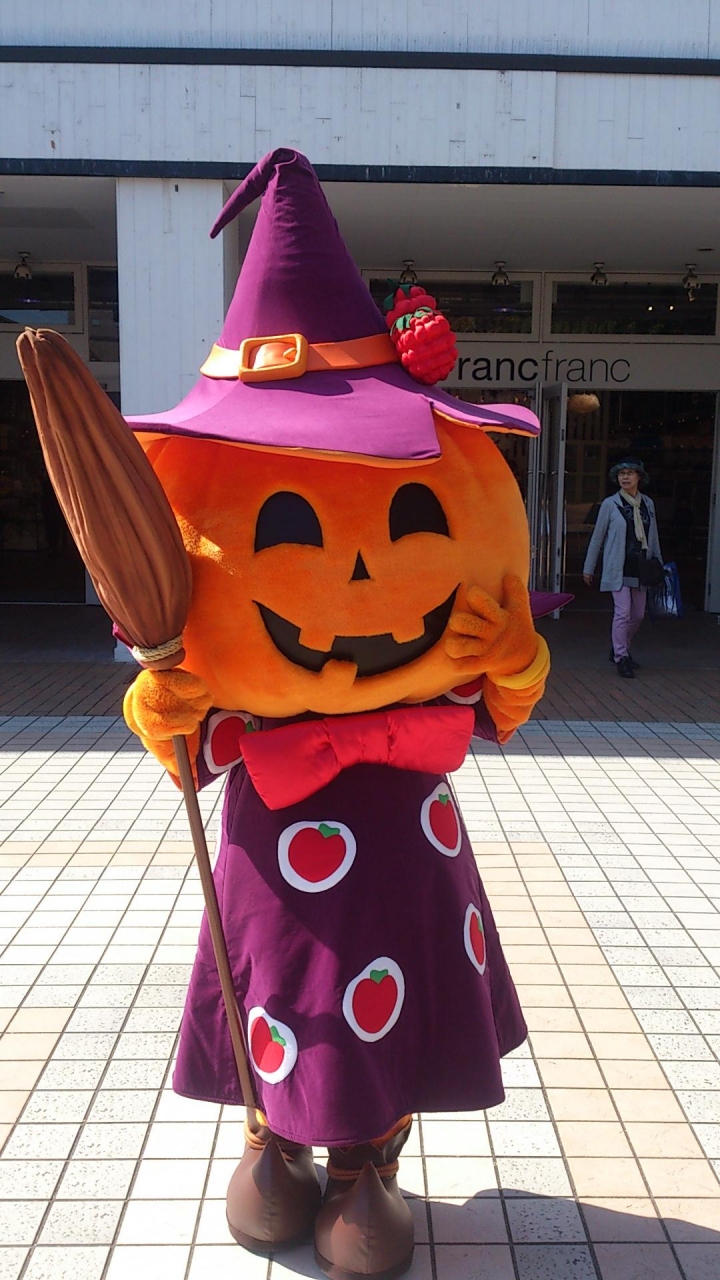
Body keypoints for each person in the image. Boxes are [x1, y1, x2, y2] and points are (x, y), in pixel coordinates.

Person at [583, 458, 663, 678]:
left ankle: (620, 647)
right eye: (621, 474)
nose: (625, 477)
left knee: (637, 614)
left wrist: (659, 563)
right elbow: (597, 537)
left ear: (639, 477)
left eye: (630, 473)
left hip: (641, 566)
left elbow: (653, 536)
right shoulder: (610, 504)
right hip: (618, 566)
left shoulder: (648, 504)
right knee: (622, 612)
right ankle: (621, 657)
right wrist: (589, 567)